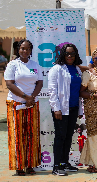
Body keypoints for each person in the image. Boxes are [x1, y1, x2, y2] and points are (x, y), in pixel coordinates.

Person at [4, 39, 43, 176]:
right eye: (22, 48)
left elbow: (39, 83)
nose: (25, 51)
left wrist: (31, 98)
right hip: (15, 104)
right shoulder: (12, 65)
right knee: (17, 135)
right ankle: (19, 166)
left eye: (27, 49)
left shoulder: (35, 65)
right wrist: (26, 97)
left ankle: (30, 165)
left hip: (32, 104)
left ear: (31, 50)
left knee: (32, 135)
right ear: (18, 50)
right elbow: (9, 84)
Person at [48, 44, 83, 176]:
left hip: (73, 108)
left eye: (72, 53)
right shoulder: (56, 69)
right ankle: (56, 166)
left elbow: (77, 90)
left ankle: (64, 162)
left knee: (68, 136)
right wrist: (56, 108)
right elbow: (52, 91)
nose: (70, 56)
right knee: (60, 137)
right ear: (63, 54)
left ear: (76, 55)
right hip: (61, 109)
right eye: (67, 53)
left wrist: (80, 111)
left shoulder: (76, 69)